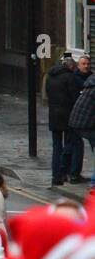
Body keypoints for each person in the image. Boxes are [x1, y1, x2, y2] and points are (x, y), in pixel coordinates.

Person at [47, 53, 85, 187]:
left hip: (53, 115)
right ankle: (68, 171)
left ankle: (56, 176)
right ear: (71, 66)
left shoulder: (50, 76)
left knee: (56, 146)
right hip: (68, 116)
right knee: (72, 143)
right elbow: (75, 97)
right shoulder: (70, 78)